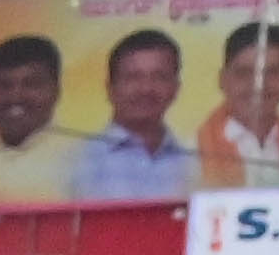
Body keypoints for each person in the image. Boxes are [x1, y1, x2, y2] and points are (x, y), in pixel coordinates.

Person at [79, 30, 204, 201]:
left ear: (176, 88)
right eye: (132, 78)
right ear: (110, 88)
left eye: (160, 77)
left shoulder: (194, 163)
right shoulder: (80, 162)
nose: (146, 89)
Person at [0, 33, 76, 203]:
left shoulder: (81, 162)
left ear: (56, 91)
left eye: (31, 84)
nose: (16, 97)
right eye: (3, 85)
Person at [208, 21, 279, 187]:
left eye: (273, 72)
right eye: (244, 73)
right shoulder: (192, 151)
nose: (259, 85)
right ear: (223, 79)